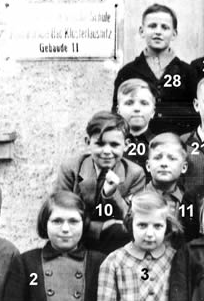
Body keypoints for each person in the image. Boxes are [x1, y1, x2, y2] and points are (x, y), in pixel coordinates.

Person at [52, 111, 147, 254]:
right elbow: (59, 212)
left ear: (126, 145)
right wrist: (100, 227)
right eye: (100, 144)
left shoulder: (134, 174)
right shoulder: (71, 168)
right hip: (77, 240)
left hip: (117, 245)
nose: (107, 151)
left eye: (114, 145)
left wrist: (112, 194)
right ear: (88, 142)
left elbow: (133, 220)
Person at [113, 3, 198, 134]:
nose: (158, 31)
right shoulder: (128, 71)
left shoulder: (188, 72)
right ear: (142, 31)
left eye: (165, 27)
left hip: (176, 145)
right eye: (152, 26)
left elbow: (197, 115)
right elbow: (116, 115)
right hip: (137, 144)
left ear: (174, 34)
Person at [115, 78, 157, 172]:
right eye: (129, 103)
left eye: (144, 103)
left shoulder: (161, 146)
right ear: (118, 111)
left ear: (153, 112)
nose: (137, 108)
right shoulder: (110, 145)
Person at [143, 133, 188, 218]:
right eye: (157, 158)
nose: (164, 164)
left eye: (172, 158)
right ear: (148, 166)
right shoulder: (135, 197)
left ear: (184, 167)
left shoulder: (189, 201)